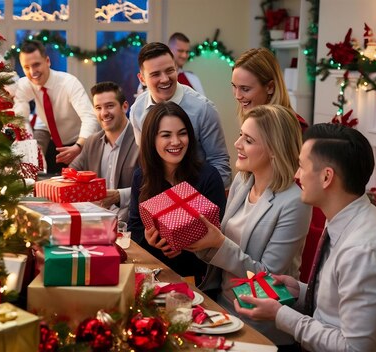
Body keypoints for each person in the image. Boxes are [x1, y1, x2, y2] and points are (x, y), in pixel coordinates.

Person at [234, 123, 376, 352]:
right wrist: (300, 292)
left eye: (301, 167)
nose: (296, 175)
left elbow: (354, 349)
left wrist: (280, 315)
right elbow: (339, 303)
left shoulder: (364, 249)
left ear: (327, 177)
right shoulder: (345, 217)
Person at [187, 105, 311, 349]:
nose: (237, 144)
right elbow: (221, 247)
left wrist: (219, 243)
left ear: (275, 150)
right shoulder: (243, 181)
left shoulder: (295, 202)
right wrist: (195, 240)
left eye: (249, 140)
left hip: (260, 323)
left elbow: (268, 279)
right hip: (221, 305)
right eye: (241, 135)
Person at [128, 101, 226, 286]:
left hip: (200, 281)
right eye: (166, 135)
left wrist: (185, 245)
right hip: (154, 276)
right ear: (151, 139)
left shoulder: (208, 177)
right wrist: (150, 240)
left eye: (182, 133)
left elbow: (218, 234)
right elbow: (135, 228)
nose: (176, 142)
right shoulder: (141, 177)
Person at [130, 42, 231, 187]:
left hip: (199, 198)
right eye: (155, 74)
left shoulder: (203, 108)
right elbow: (146, 160)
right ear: (142, 79)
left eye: (170, 70)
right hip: (157, 197)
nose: (165, 79)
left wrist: (198, 201)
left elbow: (220, 163)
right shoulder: (137, 110)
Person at [13, 40, 99, 174]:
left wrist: (79, 146)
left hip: (81, 143)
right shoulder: (25, 84)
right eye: (26, 67)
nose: (32, 72)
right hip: (55, 145)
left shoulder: (69, 83)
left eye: (36, 65)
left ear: (47, 61)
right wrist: (32, 147)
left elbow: (90, 118)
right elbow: (20, 118)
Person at [69, 81, 139, 222]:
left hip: (131, 226)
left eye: (110, 106)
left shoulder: (141, 141)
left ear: (125, 107)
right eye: (98, 108)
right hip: (95, 222)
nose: (104, 113)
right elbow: (71, 174)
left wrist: (120, 195)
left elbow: (153, 187)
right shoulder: (92, 142)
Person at [231, 48, 308, 131]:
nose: (237, 96)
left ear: (270, 87)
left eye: (245, 89)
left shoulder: (295, 128)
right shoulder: (252, 120)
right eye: (234, 86)